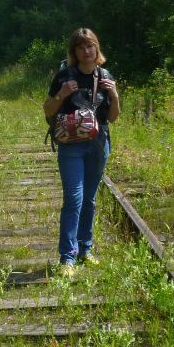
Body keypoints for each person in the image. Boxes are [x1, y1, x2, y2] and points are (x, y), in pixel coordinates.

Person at [42, 28, 120, 272]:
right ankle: (68, 256)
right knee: (73, 199)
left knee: (89, 200)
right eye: (81, 47)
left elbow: (113, 118)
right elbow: (47, 110)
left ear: (96, 48)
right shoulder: (64, 76)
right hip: (71, 145)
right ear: (74, 51)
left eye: (90, 46)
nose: (87, 51)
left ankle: (85, 248)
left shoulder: (104, 75)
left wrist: (115, 95)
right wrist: (62, 94)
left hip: (98, 145)